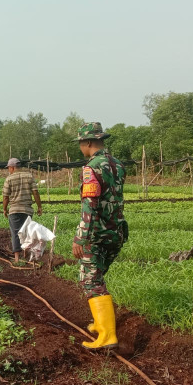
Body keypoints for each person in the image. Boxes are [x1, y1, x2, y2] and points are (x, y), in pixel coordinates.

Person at [71, 122, 128, 349]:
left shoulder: (91, 168)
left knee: (91, 281)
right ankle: (99, 323)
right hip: (117, 231)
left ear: (87, 143)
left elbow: (90, 204)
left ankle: (106, 337)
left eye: (81, 144)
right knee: (97, 275)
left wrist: (80, 237)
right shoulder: (118, 165)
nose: (80, 148)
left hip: (97, 233)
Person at [2, 157, 42, 262]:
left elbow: (5, 197)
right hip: (27, 210)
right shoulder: (29, 176)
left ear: (12, 167)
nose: (8, 170)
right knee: (26, 232)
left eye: (9, 168)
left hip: (14, 210)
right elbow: (35, 192)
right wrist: (39, 207)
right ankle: (25, 253)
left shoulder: (9, 179)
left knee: (15, 233)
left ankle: (16, 258)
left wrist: (5, 209)